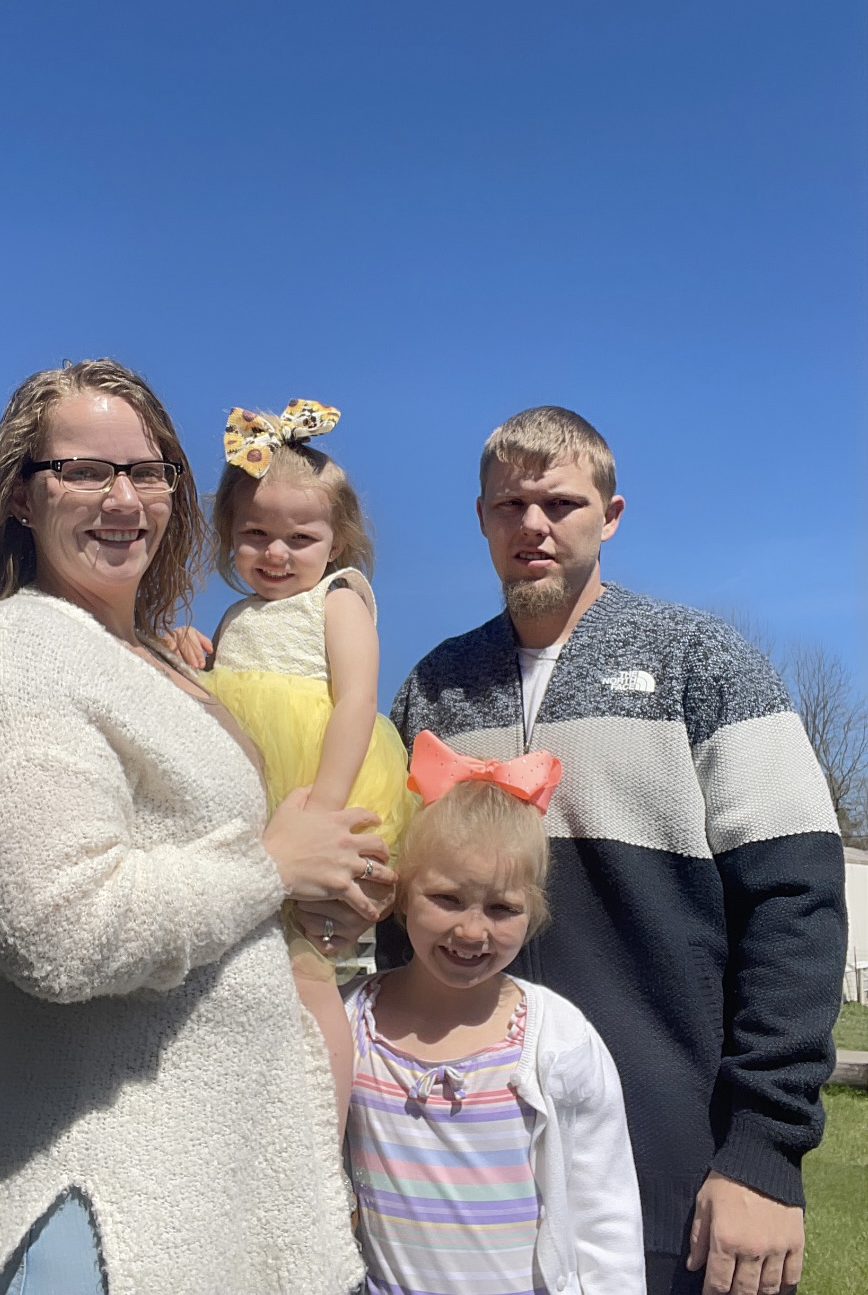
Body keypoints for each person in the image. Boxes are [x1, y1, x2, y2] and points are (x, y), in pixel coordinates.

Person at [0, 360, 393, 1295]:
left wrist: (324, 891)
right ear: (20, 496)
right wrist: (271, 869)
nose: (123, 498)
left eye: (148, 471)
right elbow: (61, 927)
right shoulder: (13, 656)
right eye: (84, 471)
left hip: (218, 1206)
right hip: (101, 1221)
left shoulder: (158, 663)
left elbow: (230, 887)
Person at [377, 407, 846, 1295]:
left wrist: (764, 1148)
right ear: (481, 518)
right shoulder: (431, 689)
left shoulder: (703, 662)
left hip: (679, 1179)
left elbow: (797, 903)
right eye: (510, 505)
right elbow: (395, 918)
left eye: (561, 503)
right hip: (456, 1183)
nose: (534, 525)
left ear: (611, 515)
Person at [345, 730, 646, 1295]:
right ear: (404, 894)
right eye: (447, 899)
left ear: (533, 914)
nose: (471, 930)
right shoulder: (351, 1023)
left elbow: (606, 1214)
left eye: (502, 908)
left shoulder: (557, 1039)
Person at [203, 400, 416, 1127]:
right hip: (248, 816)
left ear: (337, 541)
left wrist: (323, 811)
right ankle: (249, 1121)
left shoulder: (338, 599)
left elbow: (357, 701)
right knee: (240, 969)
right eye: (255, 534)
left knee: (308, 969)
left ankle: (323, 1135)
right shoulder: (233, 618)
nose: (277, 553)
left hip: (316, 791)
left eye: (301, 537)